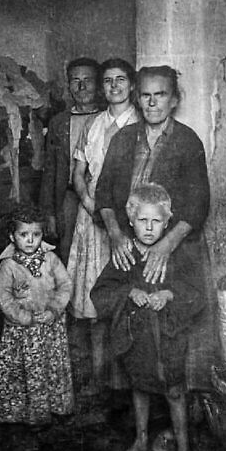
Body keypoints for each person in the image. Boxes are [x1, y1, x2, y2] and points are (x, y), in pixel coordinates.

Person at [95, 65, 216, 446]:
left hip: (177, 249)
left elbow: (198, 205)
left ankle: (181, 431)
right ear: (137, 98)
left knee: (175, 343)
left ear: (174, 99)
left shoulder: (187, 141)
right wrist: (117, 234)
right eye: (145, 95)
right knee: (137, 339)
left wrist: (166, 245)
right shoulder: (123, 138)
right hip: (132, 247)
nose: (152, 102)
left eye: (160, 94)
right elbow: (104, 194)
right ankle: (143, 431)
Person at [91, 183, 204, 451]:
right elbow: (101, 292)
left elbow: (197, 294)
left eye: (156, 221)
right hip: (137, 339)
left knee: (175, 392)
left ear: (167, 223)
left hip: (169, 338)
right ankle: (141, 440)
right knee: (139, 386)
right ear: (131, 221)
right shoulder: (125, 254)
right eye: (143, 220)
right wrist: (130, 292)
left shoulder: (177, 255)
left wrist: (168, 294)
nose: (150, 228)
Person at [67, 58, 139, 392]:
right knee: (94, 300)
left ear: (131, 85)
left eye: (120, 79)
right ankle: (99, 378)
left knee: (125, 299)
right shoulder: (94, 124)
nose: (114, 86)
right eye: (108, 81)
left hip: (128, 219)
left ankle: (127, 381)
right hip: (92, 215)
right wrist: (90, 203)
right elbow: (78, 173)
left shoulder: (139, 123)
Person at [0, 202, 74, 425]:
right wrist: (24, 317)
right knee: (27, 370)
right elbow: (4, 298)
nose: (30, 240)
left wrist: (54, 310)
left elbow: (65, 285)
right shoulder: (7, 265)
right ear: (12, 236)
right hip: (23, 331)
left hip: (49, 326)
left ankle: (56, 406)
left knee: (50, 367)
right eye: (23, 235)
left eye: (36, 235)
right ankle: (31, 415)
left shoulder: (51, 259)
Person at [39, 57, 101, 265]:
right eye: (76, 80)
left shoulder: (106, 118)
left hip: (99, 198)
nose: (81, 87)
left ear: (98, 84)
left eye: (88, 80)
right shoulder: (59, 122)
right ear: (68, 85)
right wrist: (49, 213)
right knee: (69, 255)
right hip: (68, 198)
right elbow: (50, 170)